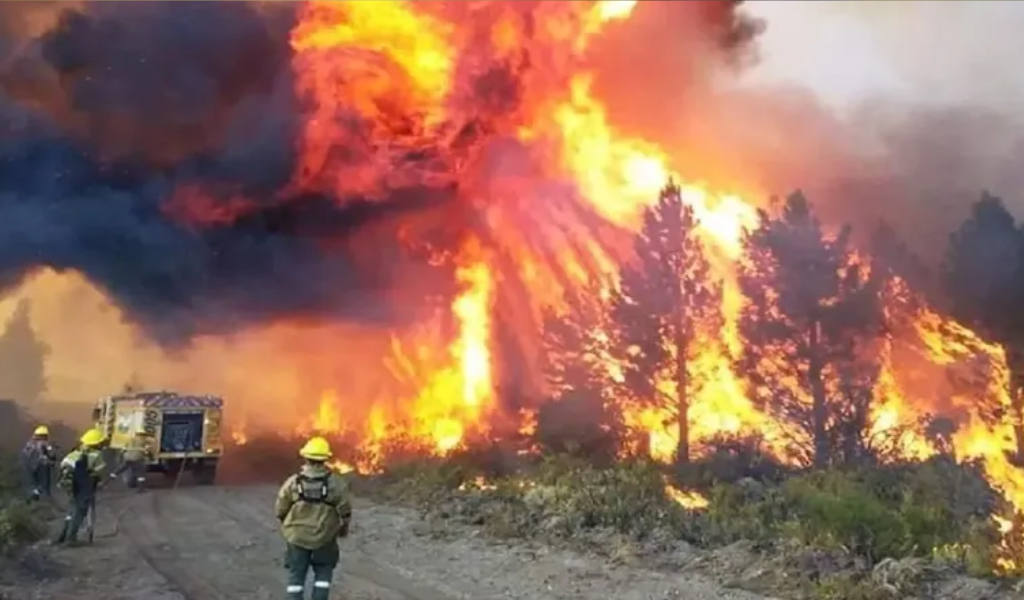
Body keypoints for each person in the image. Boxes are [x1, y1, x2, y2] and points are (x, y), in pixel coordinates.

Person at [275, 436, 352, 600]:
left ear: (305, 457)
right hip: (325, 538)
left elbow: (280, 508)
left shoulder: (293, 482)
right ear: (326, 459)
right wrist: (343, 528)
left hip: (296, 537)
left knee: (296, 577)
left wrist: (287, 524)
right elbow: (345, 510)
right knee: (323, 575)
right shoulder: (336, 483)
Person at [55, 428, 107, 546]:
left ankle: (62, 536)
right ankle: (71, 539)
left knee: (72, 508)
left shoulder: (75, 452)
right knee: (80, 510)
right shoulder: (96, 454)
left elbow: (63, 466)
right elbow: (98, 472)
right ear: (97, 443)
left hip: (67, 484)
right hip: (83, 485)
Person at [21, 425, 57, 501]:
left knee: (34, 485)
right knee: (44, 486)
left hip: (29, 467)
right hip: (42, 466)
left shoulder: (29, 443)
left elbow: (24, 455)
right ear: (43, 435)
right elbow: (51, 454)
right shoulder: (44, 443)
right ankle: (46, 502)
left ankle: (33, 498)